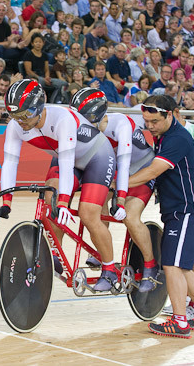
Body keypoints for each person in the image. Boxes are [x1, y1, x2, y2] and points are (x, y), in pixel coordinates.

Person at [0, 80, 117, 290]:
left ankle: (110, 269)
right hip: (65, 157)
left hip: (97, 157)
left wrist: (64, 202)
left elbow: (68, 162)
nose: (20, 121)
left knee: (88, 213)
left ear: (40, 106)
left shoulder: (62, 119)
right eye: (15, 116)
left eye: (25, 115)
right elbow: (9, 162)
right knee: (49, 198)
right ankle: (55, 255)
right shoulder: (16, 126)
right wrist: (5, 200)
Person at [129, 95, 194, 338]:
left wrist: (118, 185)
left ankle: (180, 321)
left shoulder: (178, 138)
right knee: (181, 266)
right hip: (180, 211)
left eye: (155, 121)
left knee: (171, 265)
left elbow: (153, 170)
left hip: (186, 211)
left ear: (170, 115)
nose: (150, 127)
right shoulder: (164, 135)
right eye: (147, 121)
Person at [71, 88, 159, 292]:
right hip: (117, 172)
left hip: (141, 170)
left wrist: (120, 199)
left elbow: (125, 162)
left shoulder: (121, 125)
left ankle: (150, 265)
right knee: (93, 210)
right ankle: (104, 255)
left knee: (129, 217)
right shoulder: (86, 129)